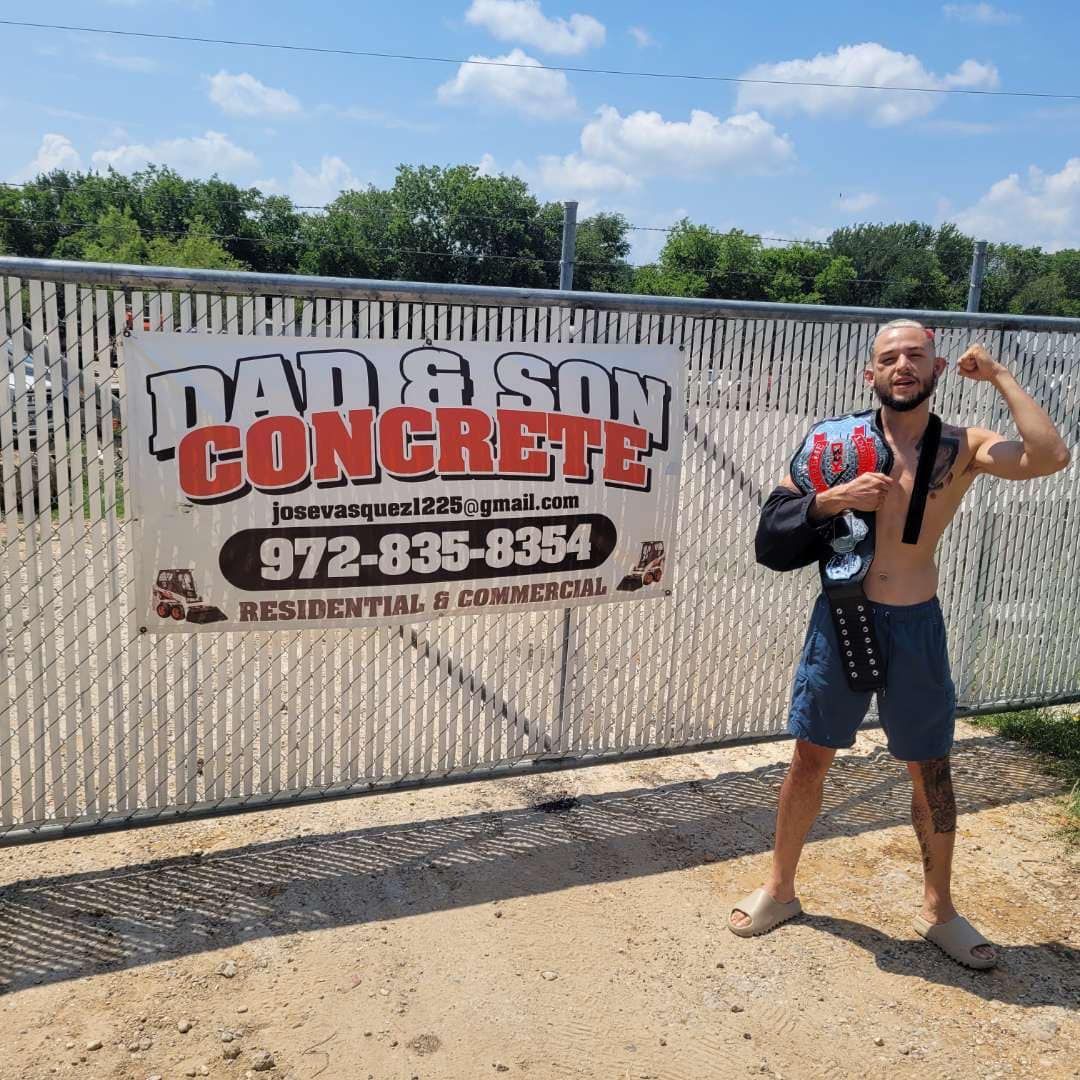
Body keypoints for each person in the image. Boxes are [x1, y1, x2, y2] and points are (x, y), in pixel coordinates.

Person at [728, 319, 1071, 970]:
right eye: (890, 357)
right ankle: (781, 888)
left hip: (917, 626)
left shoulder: (963, 445)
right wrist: (832, 500)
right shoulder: (833, 444)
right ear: (872, 374)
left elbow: (1051, 456)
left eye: (916, 354)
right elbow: (771, 534)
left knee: (932, 769)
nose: (903, 365)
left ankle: (939, 909)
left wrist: (999, 375)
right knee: (809, 759)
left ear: (937, 368)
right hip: (843, 618)